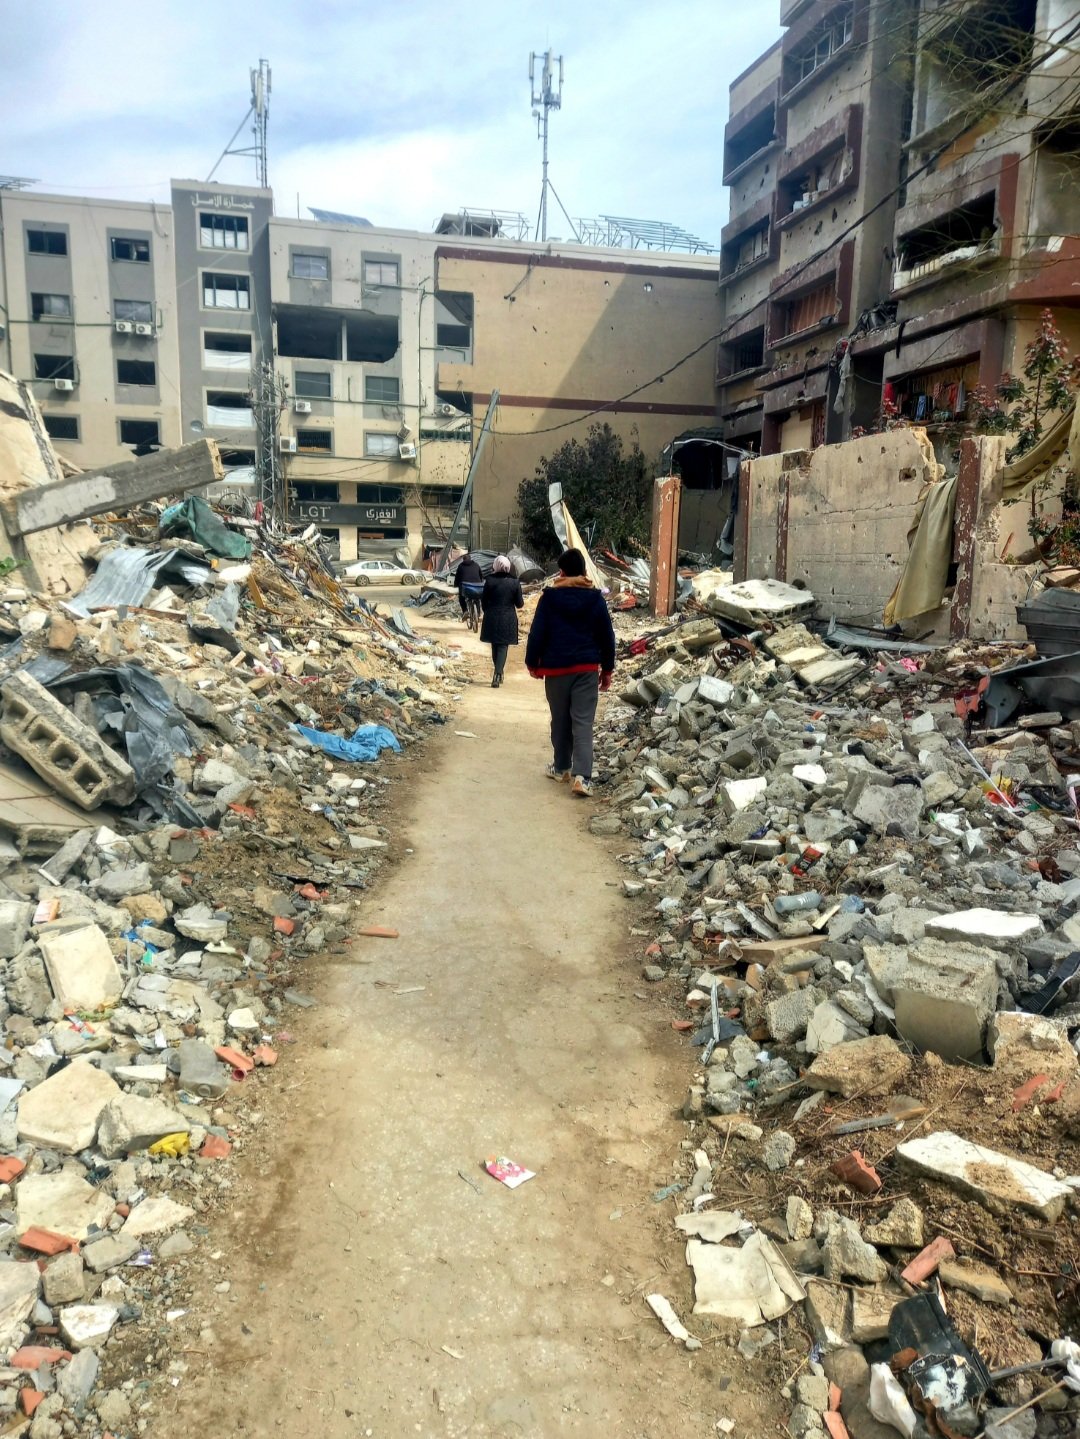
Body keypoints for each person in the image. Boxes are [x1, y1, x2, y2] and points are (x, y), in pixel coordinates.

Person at [525, 547, 615, 797]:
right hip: (586, 668)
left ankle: (562, 767)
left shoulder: (550, 598)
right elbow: (607, 637)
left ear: (561, 571)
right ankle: (582, 778)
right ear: (584, 571)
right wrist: (607, 669)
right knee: (583, 723)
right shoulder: (595, 599)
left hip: (556, 669)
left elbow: (537, 633)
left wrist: (532, 663)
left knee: (560, 719)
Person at [480, 555, 524, 687]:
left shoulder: (490, 581)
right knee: (503, 646)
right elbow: (519, 604)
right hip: (508, 617)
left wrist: (488, 610)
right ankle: (498, 673)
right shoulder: (515, 582)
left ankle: (498, 672)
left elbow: (483, 601)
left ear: (495, 565)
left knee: (494, 644)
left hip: (492, 616)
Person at [454, 552, 484, 622]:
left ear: (463, 560)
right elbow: (481, 576)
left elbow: (457, 577)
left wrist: (455, 584)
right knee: (478, 598)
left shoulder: (460, 566)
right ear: (471, 559)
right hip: (477, 586)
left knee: (461, 597)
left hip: (466, 587)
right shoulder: (476, 565)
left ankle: (465, 611)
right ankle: (479, 612)